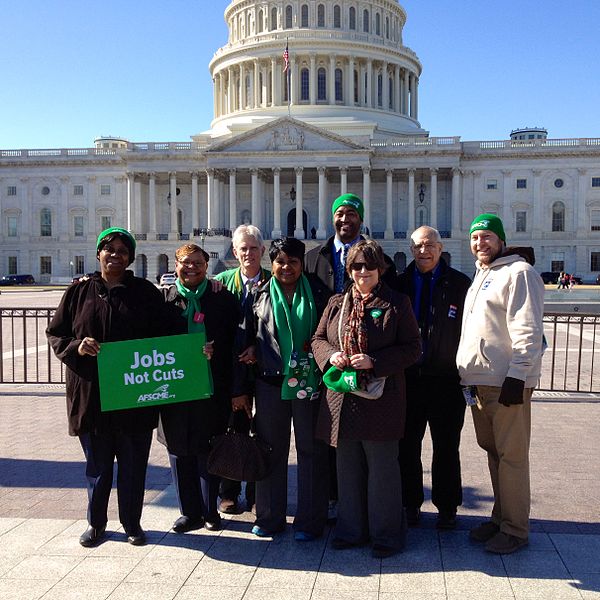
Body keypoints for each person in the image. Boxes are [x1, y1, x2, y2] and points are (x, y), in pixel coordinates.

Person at [46, 227, 170, 547]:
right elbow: (56, 333)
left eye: (122, 250)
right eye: (109, 249)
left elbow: (167, 336)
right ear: (99, 253)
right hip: (92, 392)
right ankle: (96, 524)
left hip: (133, 393)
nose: (115, 255)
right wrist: (77, 347)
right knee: (98, 466)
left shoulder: (144, 292)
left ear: (129, 257)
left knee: (132, 466)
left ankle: (132, 523)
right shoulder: (78, 293)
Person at [312, 240, 421, 558]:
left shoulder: (397, 303)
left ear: (381, 270)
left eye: (369, 266)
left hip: (380, 401)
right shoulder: (336, 303)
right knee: (347, 469)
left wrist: (375, 361)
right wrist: (331, 355)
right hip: (342, 400)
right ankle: (351, 529)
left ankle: (386, 535)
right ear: (349, 269)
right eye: (357, 266)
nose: (363, 272)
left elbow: (413, 347)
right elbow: (318, 338)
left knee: (382, 471)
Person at [456, 213, 545, 555]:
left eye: (488, 237)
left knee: (512, 458)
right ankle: (500, 517)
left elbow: (528, 331)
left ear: (502, 239)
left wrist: (518, 375)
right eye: (476, 238)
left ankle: (515, 529)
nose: (481, 243)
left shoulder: (518, 272)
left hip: (506, 382)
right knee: (495, 454)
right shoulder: (483, 275)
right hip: (481, 383)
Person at [304, 193, 397, 518]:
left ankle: (377, 517)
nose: (345, 220)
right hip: (331, 373)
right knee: (335, 445)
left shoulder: (385, 272)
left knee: (374, 452)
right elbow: (314, 328)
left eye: (351, 215)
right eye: (340, 214)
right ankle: (340, 508)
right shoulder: (312, 257)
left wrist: (377, 360)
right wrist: (328, 354)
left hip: (373, 381)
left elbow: (401, 329)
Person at [232, 237, 329, 541]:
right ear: (270, 264)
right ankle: (270, 516)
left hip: (308, 380)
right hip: (270, 381)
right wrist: (242, 385)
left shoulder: (318, 292)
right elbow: (244, 339)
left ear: (302, 264)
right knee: (271, 449)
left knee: (310, 451)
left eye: (293, 262)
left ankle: (310, 520)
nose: (286, 267)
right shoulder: (258, 295)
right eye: (280, 262)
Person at [157, 244, 239, 533]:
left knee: (208, 448)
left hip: (210, 386)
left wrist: (216, 350)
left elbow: (235, 339)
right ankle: (188, 512)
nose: (191, 268)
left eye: (197, 263)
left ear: (207, 266)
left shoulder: (221, 298)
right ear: (175, 265)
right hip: (174, 389)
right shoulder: (163, 301)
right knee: (179, 451)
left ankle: (209, 510)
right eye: (185, 262)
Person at [397, 226, 471, 529]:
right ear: (411, 249)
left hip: (446, 379)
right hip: (409, 378)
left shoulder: (460, 284)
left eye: (429, 245)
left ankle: (447, 506)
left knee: (446, 446)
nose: (423, 251)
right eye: (417, 246)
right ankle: (410, 503)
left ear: (440, 248)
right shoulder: (399, 284)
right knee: (407, 445)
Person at [213, 224, 271, 515]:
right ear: (234, 252)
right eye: (243, 248)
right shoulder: (221, 282)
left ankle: (259, 491)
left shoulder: (275, 281)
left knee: (265, 433)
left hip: (265, 370)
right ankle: (229, 491)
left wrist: (258, 350)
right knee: (234, 430)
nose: (248, 253)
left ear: (263, 250)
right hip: (233, 372)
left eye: (253, 248)